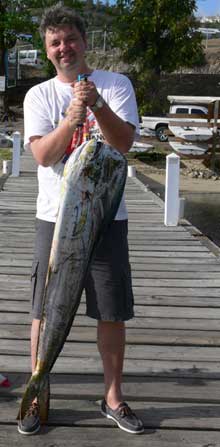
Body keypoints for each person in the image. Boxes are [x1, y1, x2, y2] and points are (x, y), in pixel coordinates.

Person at [17, 4, 144, 436]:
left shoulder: (117, 84)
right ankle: (37, 393)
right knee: (45, 308)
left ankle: (113, 397)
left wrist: (98, 107)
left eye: (70, 38)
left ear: (84, 41)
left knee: (111, 311)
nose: (63, 47)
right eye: (55, 42)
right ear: (47, 50)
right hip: (54, 218)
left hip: (106, 218)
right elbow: (42, 155)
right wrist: (72, 117)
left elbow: (124, 143)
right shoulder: (39, 96)